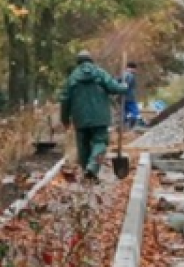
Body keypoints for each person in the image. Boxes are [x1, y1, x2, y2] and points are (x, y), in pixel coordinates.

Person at [60, 50, 129, 182]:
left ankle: (88, 171)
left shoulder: (72, 78)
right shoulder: (100, 73)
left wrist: (65, 119)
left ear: (78, 62)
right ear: (91, 60)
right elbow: (114, 87)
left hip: (80, 118)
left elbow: (65, 99)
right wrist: (124, 87)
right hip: (100, 117)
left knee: (83, 146)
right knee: (100, 143)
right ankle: (92, 168)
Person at [122, 62, 141, 129]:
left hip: (122, 97)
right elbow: (126, 86)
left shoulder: (122, 74)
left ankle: (123, 126)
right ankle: (131, 127)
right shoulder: (130, 75)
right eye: (135, 69)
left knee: (124, 112)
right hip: (129, 97)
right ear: (132, 68)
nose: (135, 71)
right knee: (135, 112)